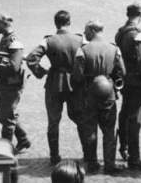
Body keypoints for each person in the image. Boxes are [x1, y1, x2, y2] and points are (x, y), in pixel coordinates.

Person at [25, 10, 86, 165]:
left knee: (53, 121)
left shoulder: (48, 40)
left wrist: (41, 72)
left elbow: (31, 58)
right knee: (80, 118)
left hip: (54, 83)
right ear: (69, 22)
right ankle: (88, 153)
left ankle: (54, 156)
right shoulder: (80, 39)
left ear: (55, 23)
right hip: (75, 84)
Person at [72, 20, 126, 174]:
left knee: (90, 130)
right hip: (108, 93)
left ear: (92, 30)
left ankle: (93, 163)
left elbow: (77, 76)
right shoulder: (114, 48)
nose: (85, 33)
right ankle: (110, 164)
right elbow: (122, 71)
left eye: (86, 30)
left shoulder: (83, 50)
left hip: (89, 93)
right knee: (109, 130)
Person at [115, 3, 141, 170]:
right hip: (138, 83)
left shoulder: (120, 32)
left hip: (125, 81)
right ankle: (134, 157)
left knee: (124, 114)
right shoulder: (138, 35)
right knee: (136, 120)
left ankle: (123, 147)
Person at [0, 14, 31, 154]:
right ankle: (23, 139)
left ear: (4, 24)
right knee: (6, 115)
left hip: (11, 85)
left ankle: (4, 151)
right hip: (3, 83)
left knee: (7, 119)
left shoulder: (14, 41)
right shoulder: (5, 39)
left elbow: (14, 66)